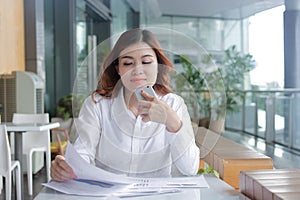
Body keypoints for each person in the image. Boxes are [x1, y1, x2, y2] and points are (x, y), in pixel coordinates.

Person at [50, 28, 200, 181]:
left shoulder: (174, 104)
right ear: (118, 69)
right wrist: (67, 169)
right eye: (128, 63)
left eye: (146, 62)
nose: (137, 70)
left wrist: (172, 122)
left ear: (158, 65)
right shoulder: (97, 105)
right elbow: (82, 153)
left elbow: (190, 169)